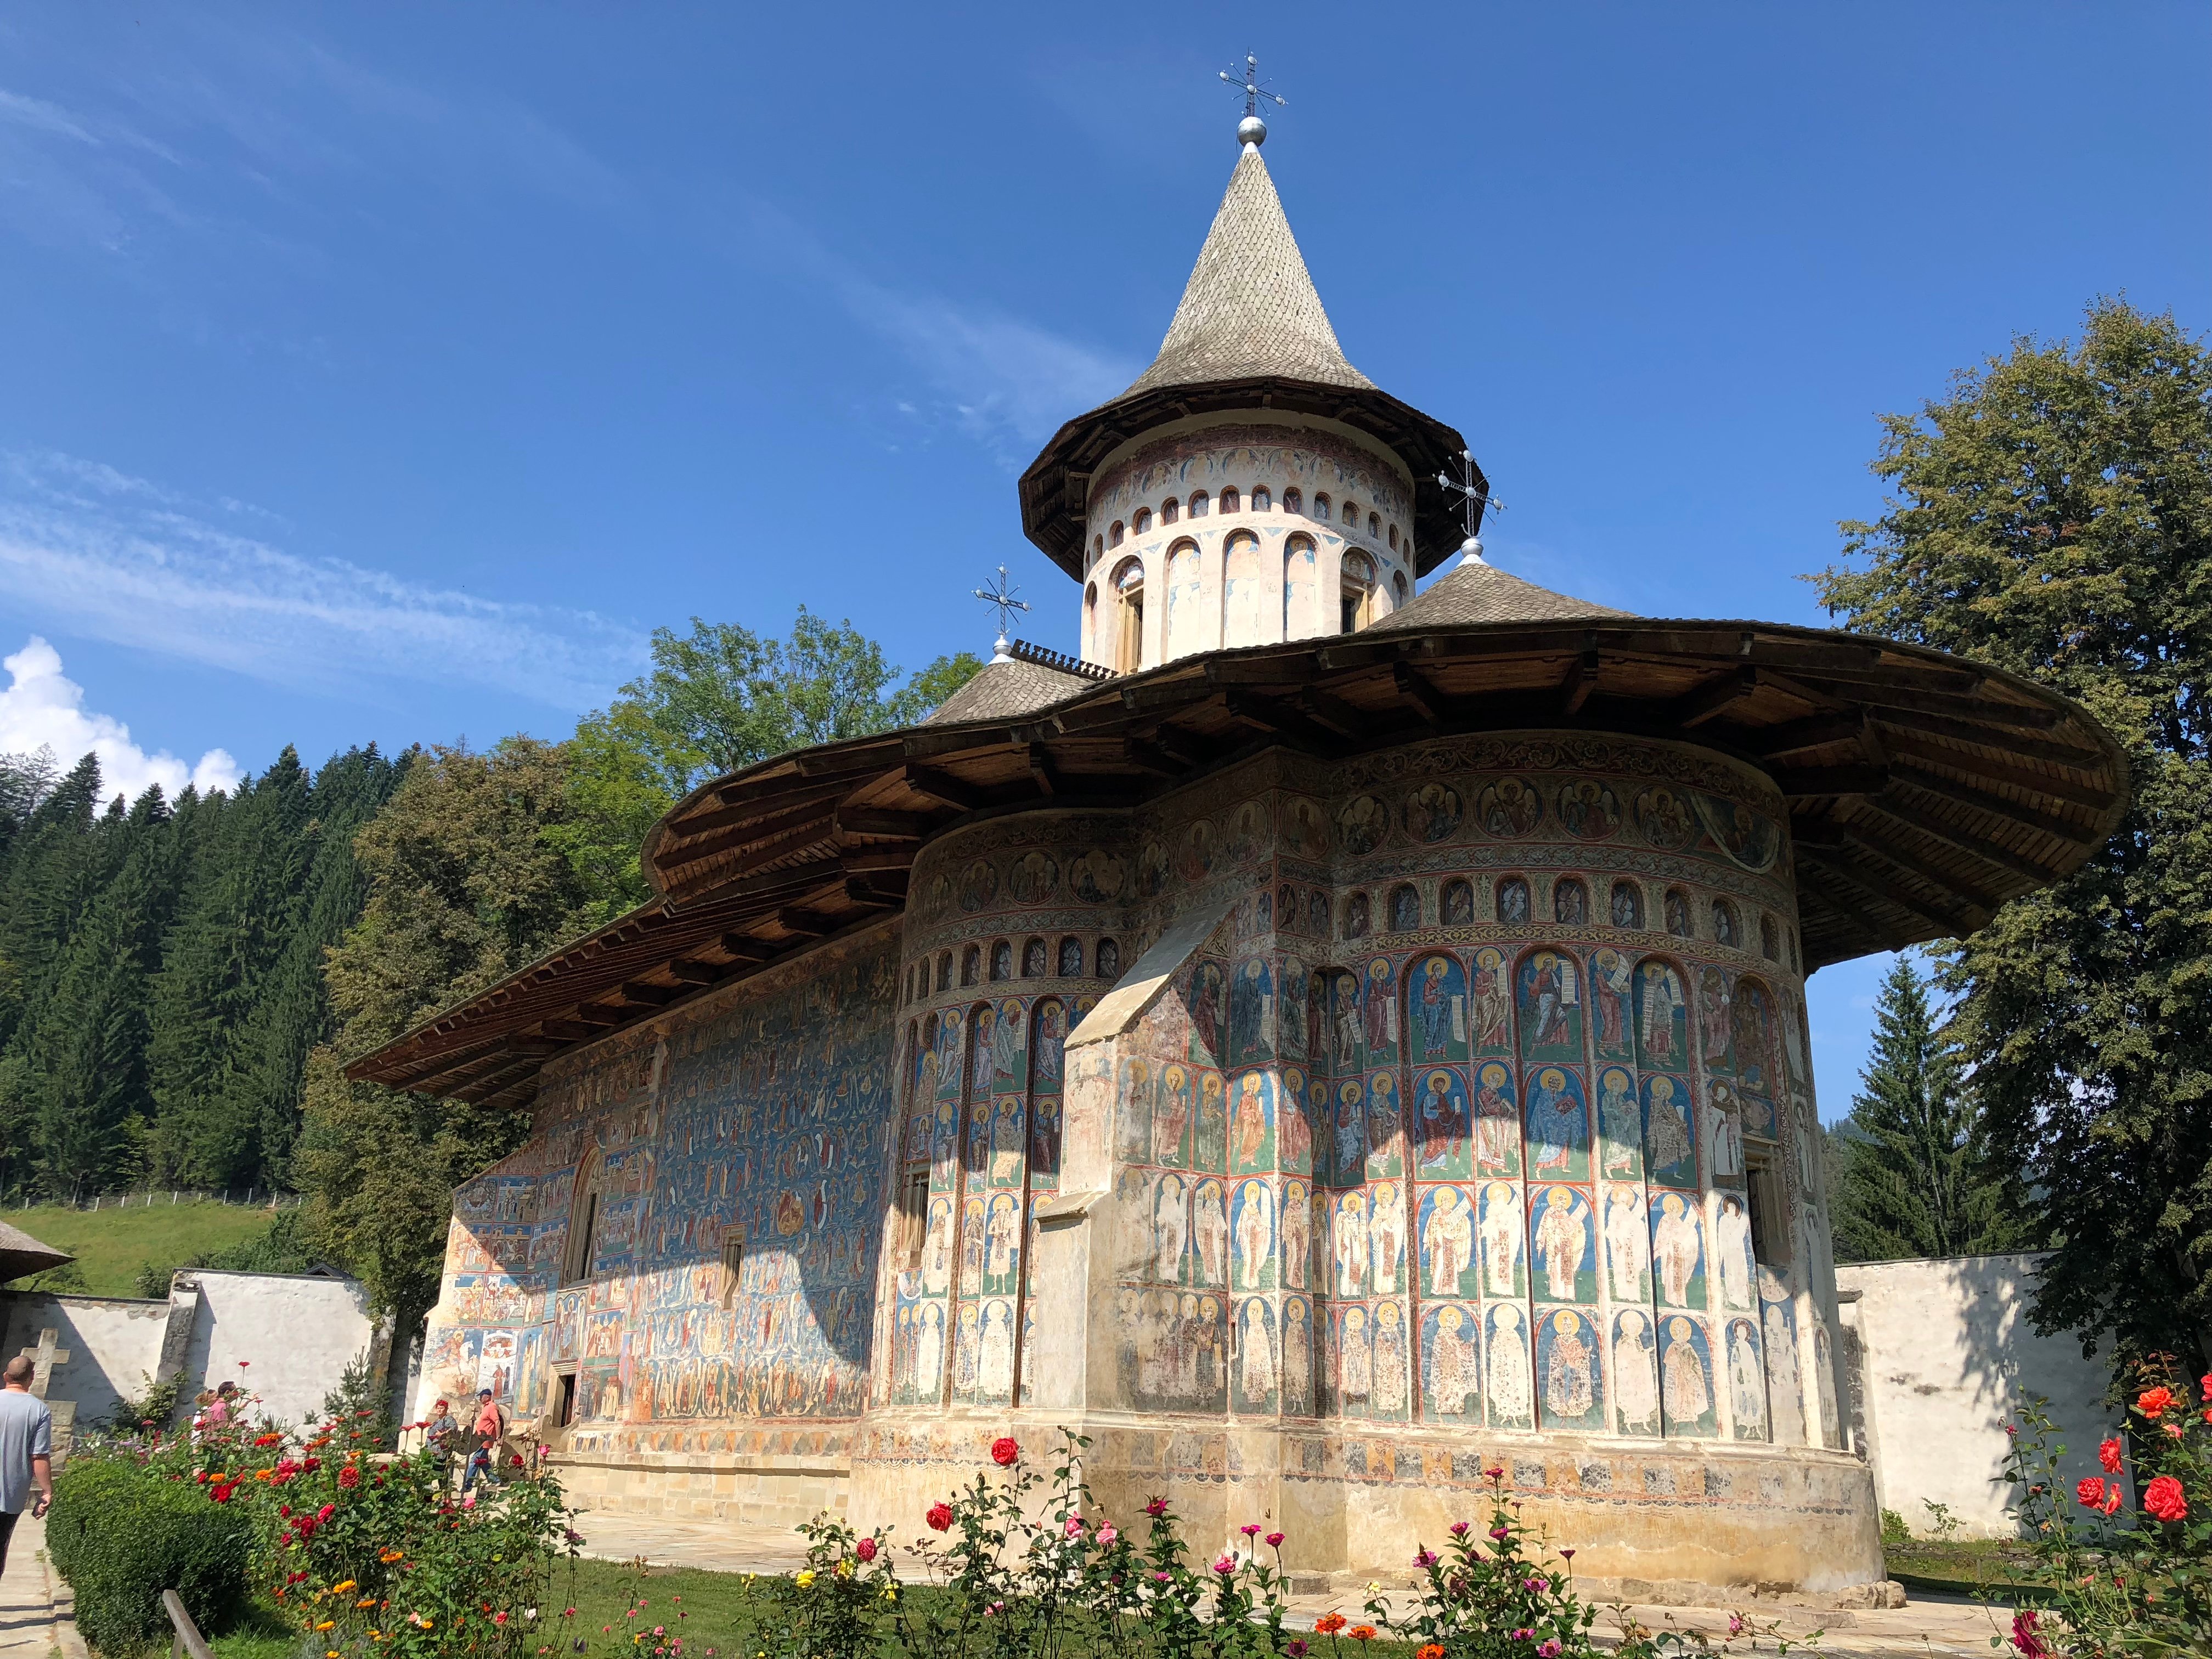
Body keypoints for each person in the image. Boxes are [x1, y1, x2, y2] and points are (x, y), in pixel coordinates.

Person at [0, 1356, 54, 1579]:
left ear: (6, 1376)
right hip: (10, 1495)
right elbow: (39, 1456)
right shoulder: (39, 1411)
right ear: (31, 1379)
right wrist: (47, 1491)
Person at [461, 1388, 509, 1494]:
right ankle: (495, 1480)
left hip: (485, 1440)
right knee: (484, 1462)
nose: (480, 1398)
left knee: (475, 1460)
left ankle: (468, 1485)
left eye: (481, 1396)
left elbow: (497, 1422)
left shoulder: (492, 1407)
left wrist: (498, 1438)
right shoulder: (486, 1407)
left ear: (488, 1397)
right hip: (480, 1439)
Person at [422, 1398, 459, 1484]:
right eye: (438, 1408)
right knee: (428, 1473)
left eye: (442, 1408)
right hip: (431, 1451)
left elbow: (453, 1429)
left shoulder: (448, 1419)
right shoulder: (436, 1421)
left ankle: (443, 1493)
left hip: (441, 1451)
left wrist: (443, 1434)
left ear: (446, 1409)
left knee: (441, 1474)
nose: (439, 1410)